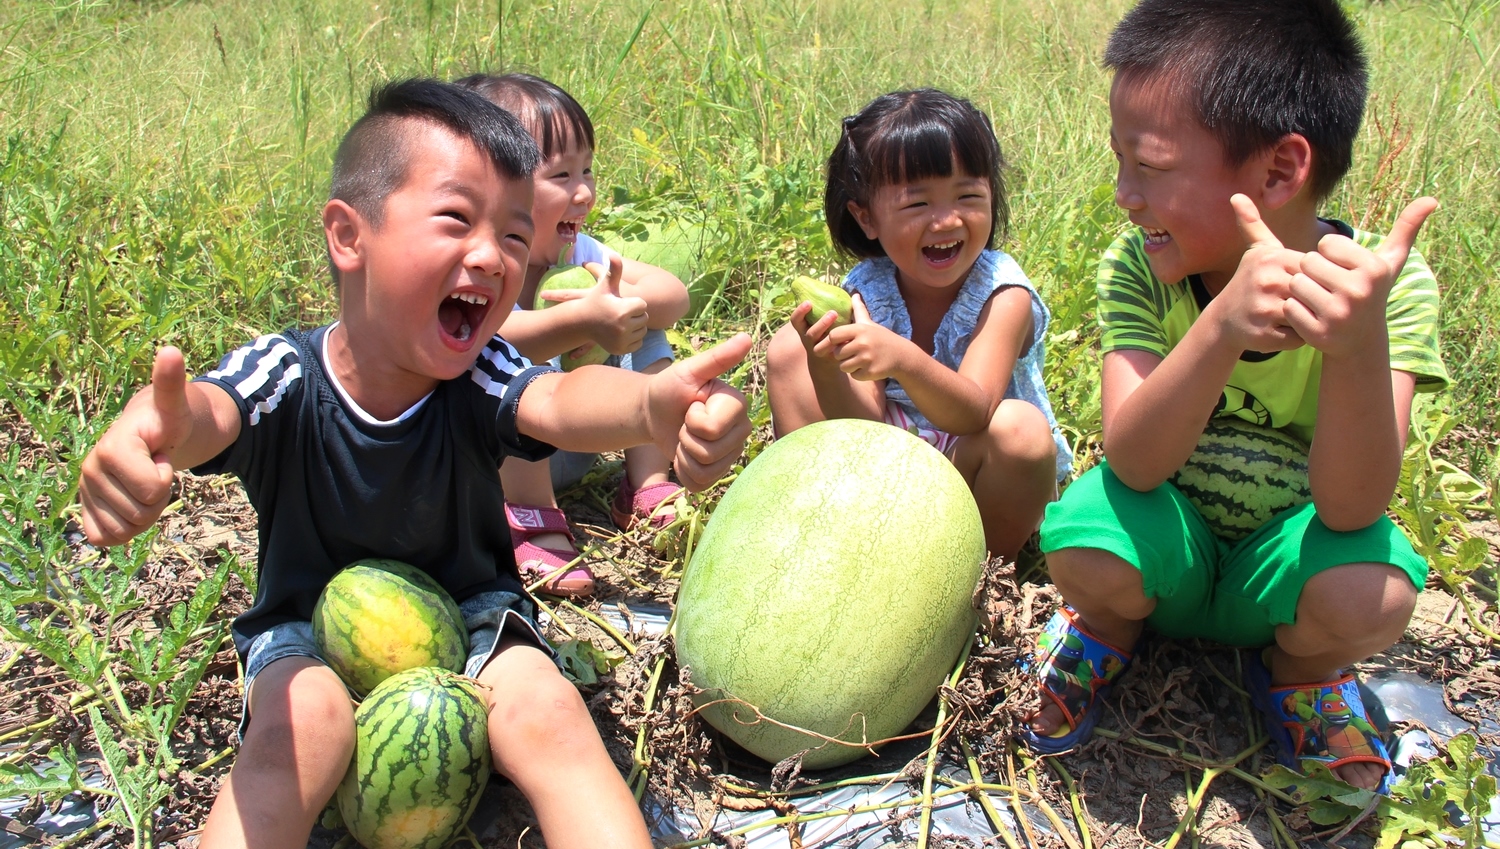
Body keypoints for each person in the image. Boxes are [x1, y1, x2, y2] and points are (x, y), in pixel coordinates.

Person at [76, 78, 752, 849]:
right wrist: (147, 429)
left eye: (512, 235)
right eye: (458, 220)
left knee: (550, 711)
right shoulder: (286, 373)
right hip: (306, 632)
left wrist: (649, 407)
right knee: (300, 733)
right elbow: (206, 411)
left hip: (473, 615)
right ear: (349, 235)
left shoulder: (483, 373)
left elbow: (562, 404)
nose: (491, 256)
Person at [1021, 0, 1448, 796]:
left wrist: (1354, 347)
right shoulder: (1140, 268)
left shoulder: (1386, 293)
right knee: (1081, 530)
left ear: (1280, 171)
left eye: (1148, 166)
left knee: (1376, 588)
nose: (1124, 194)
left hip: (1281, 569)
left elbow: (1352, 508)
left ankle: (1301, 675)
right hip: (1167, 548)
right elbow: (1137, 464)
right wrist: (1219, 327)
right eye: (1120, 162)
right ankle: (1106, 630)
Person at [766, 88, 1071, 563]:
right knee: (787, 351)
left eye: (968, 195)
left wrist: (903, 359)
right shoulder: (868, 290)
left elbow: (975, 413)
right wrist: (826, 366)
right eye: (917, 205)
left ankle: (970, 571)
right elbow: (862, 424)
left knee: (1022, 431)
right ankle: (832, 529)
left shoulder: (1002, 294)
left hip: (976, 472)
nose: (946, 220)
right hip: (890, 469)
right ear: (866, 218)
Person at [456, 72, 692, 597]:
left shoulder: (581, 256)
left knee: (645, 327)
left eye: (586, 170)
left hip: (581, 434)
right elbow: (490, 337)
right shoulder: (483, 262)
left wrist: (614, 304)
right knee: (506, 371)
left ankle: (648, 482)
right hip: (504, 464)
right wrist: (576, 323)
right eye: (560, 175)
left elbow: (674, 295)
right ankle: (532, 518)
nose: (583, 192)